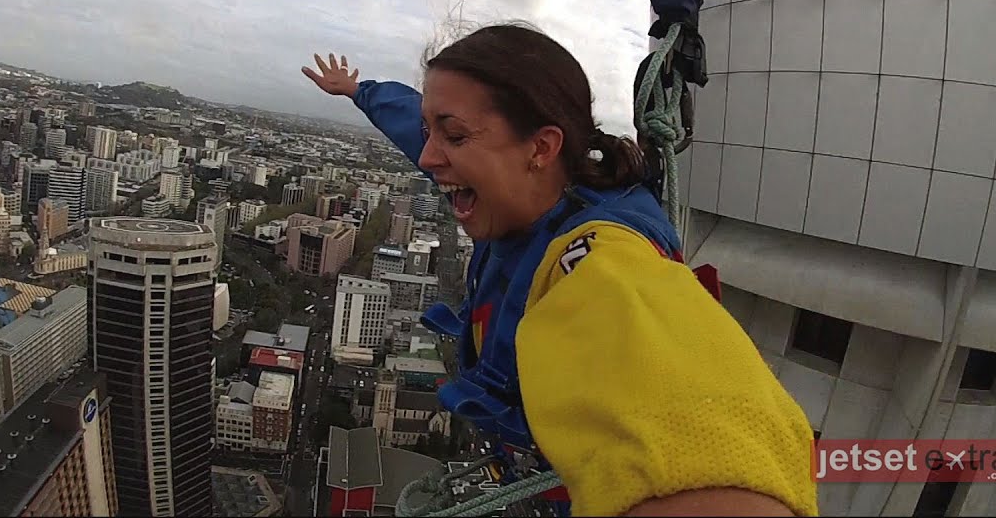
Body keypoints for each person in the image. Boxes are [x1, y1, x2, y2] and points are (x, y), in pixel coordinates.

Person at [302, 28, 818, 517]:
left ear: (541, 148)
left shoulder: (600, 257)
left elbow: (707, 439)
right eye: (429, 131)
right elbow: (408, 121)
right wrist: (360, 91)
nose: (429, 154)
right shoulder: (524, 187)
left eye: (453, 135)